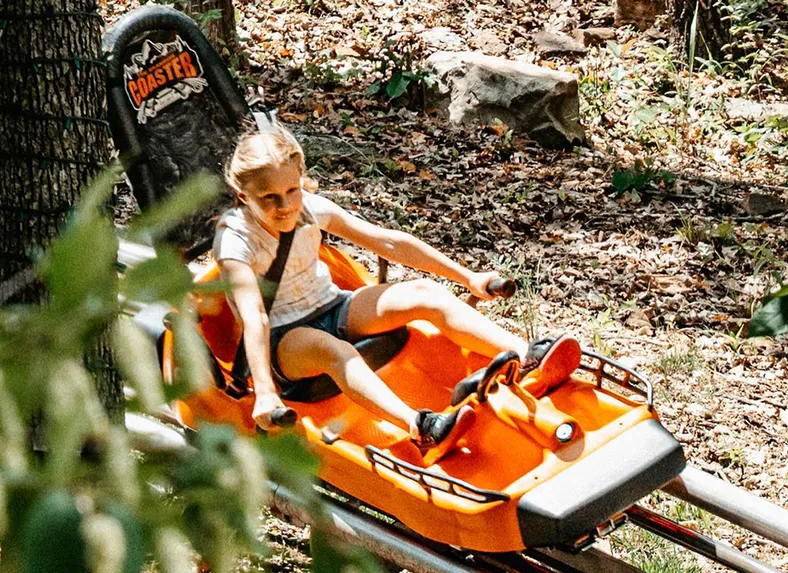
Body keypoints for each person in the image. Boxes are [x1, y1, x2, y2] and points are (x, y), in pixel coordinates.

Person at [214, 127, 557, 452]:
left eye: (292, 190)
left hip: (332, 307)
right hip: (284, 338)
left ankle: (526, 354)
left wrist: (468, 278)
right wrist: (264, 392)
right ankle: (420, 426)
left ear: (300, 179)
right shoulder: (236, 241)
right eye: (269, 197)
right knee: (336, 351)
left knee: (424, 292)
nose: (286, 205)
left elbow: (389, 243)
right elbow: (255, 316)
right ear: (244, 196)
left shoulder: (309, 209)